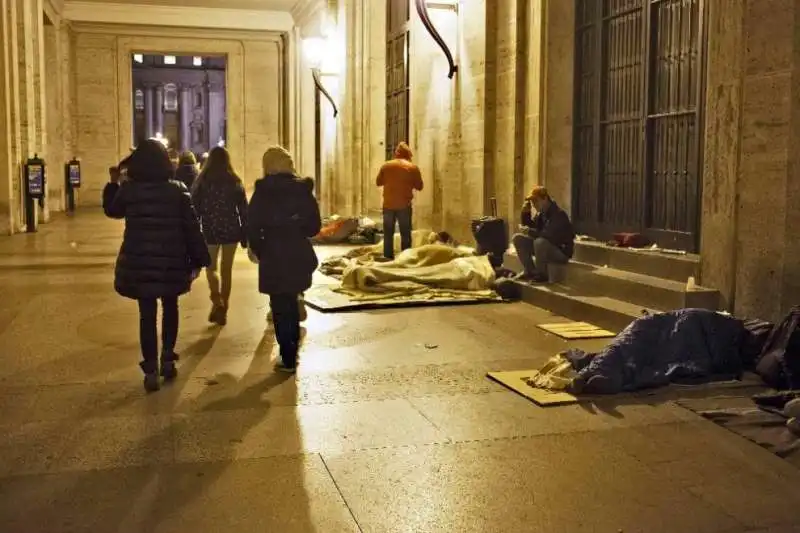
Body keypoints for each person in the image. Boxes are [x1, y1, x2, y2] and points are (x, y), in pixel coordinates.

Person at [102, 140, 211, 392]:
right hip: (171, 261)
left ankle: (150, 369)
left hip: (140, 261)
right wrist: (201, 258)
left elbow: (112, 210)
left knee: (146, 314)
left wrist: (112, 182)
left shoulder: (130, 190)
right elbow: (191, 227)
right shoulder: (178, 189)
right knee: (170, 307)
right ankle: (168, 359)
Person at [248, 146, 321, 374]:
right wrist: (296, 226)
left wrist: (260, 249)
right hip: (298, 252)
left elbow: (252, 226)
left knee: (280, 305)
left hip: (273, 253)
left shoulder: (262, 192)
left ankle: (287, 355)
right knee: (291, 297)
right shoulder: (303, 190)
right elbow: (314, 227)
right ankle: (292, 348)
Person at [191, 146, 248, 326]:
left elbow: (195, 210)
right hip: (232, 230)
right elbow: (244, 210)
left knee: (211, 268)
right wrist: (246, 234)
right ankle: (225, 306)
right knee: (226, 270)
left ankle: (217, 301)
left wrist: (193, 231)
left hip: (210, 230)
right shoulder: (235, 181)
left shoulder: (202, 182)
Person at [511, 185, 575, 282]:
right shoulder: (541, 214)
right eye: (532, 202)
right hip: (545, 248)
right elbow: (534, 228)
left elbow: (547, 235)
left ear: (545, 199)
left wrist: (530, 231)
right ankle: (530, 271)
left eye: (536, 201)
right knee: (518, 238)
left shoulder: (558, 214)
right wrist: (525, 214)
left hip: (561, 252)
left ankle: (542, 274)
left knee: (540, 242)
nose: (534, 205)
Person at [376, 142, 423, 260]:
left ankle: (388, 257)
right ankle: (405, 258)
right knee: (405, 234)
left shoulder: (386, 166)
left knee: (388, 234)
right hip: (404, 205)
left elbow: (378, 182)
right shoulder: (412, 167)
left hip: (388, 204)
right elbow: (420, 186)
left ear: (396, 153)